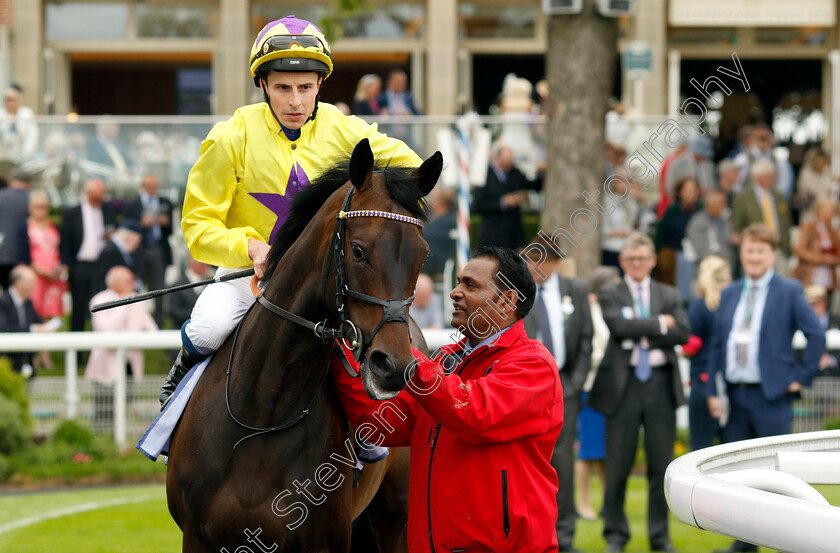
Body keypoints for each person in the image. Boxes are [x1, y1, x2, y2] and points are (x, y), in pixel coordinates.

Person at [159, 16, 422, 408]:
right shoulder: (229, 136)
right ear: (263, 85)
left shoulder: (345, 130)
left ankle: (372, 438)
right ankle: (173, 407)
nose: (295, 101)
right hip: (248, 274)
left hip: (325, 280)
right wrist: (249, 247)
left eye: (305, 87)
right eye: (282, 88)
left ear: (320, 85)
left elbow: (412, 170)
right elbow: (198, 227)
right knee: (207, 329)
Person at [333, 246, 564, 553]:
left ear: (508, 300)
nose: (455, 292)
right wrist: (342, 357)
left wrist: (408, 359)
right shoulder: (445, 360)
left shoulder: (533, 364)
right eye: (458, 282)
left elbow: (473, 414)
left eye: (471, 285)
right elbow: (386, 425)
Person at [706, 223, 824, 553]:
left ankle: (787, 540)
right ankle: (745, 544)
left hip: (772, 396)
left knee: (777, 476)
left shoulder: (789, 290)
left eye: (760, 251)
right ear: (741, 254)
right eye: (749, 250)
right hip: (735, 395)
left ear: (773, 255)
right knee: (742, 476)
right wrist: (713, 391)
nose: (754, 257)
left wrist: (802, 376)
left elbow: (815, 335)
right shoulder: (731, 293)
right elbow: (717, 344)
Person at [588, 232, 690, 553]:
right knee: (617, 466)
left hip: (661, 386)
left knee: (661, 467)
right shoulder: (610, 293)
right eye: (631, 259)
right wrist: (661, 324)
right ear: (622, 261)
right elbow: (619, 328)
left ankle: (660, 537)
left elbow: (684, 332)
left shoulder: (669, 292)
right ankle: (615, 536)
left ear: (652, 261)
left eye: (642, 258)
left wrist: (643, 329)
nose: (636, 264)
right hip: (623, 386)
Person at [522, 235, 593, 552]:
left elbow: (587, 338)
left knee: (562, 464)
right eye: (535, 258)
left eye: (547, 259)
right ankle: (529, 537)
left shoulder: (574, 290)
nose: (540, 266)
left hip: (563, 387)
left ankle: (563, 538)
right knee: (526, 466)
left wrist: (575, 383)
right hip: (523, 388)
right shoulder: (518, 292)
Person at [87, 266, 157, 432]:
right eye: (128, 281)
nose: (133, 284)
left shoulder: (137, 299)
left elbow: (151, 329)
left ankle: (121, 438)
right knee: (105, 407)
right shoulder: (99, 299)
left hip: (129, 361)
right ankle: (103, 437)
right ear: (115, 283)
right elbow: (106, 329)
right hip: (106, 364)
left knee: (125, 403)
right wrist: (123, 304)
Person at [575, 266, 618, 522]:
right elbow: (593, 348)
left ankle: (607, 502)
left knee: (605, 450)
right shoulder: (589, 310)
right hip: (591, 387)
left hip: (609, 388)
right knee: (588, 450)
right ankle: (583, 503)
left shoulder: (608, 308)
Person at [60, 177, 118, 331]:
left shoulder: (107, 211)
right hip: (80, 266)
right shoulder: (73, 212)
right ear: (88, 193)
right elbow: (65, 241)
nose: (99, 200)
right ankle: (77, 352)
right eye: (96, 196)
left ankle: (98, 351)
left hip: (101, 266)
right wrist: (66, 265)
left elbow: (115, 231)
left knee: (100, 308)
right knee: (78, 310)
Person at [685, 255, 731, 451]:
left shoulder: (700, 306)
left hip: (704, 382)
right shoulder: (733, 305)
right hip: (731, 385)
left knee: (700, 449)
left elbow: (691, 346)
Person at [472, 140, 541, 251]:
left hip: (514, 235)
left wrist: (540, 171)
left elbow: (534, 186)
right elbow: (477, 205)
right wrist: (502, 202)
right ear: (497, 158)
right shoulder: (485, 175)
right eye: (505, 163)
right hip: (493, 236)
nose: (508, 167)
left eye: (510, 163)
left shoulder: (515, 173)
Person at [124, 173, 173, 327]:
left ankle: (158, 322)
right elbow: (127, 226)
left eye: (155, 187)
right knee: (135, 285)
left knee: (159, 286)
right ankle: (135, 321)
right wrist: (142, 224)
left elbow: (172, 229)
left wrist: (165, 222)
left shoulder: (164, 202)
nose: (153, 190)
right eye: (149, 187)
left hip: (158, 248)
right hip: (140, 249)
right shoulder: (133, 204)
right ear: (143, 186)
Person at [0, 266, 61, 378]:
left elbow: (37, 322)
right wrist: (33, 329)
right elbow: (4, 329)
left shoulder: (28, 302)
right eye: (31, 283)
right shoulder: (3, 302)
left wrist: (48, 326)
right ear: (18, 283)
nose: (34, 287)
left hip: (27, 360)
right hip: (7, 362)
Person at [731, 158, 792, 259]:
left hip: (779, 248)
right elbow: (737, 225)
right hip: (756, 249)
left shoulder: (779, 196)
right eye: (767, 177)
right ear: (756, 178)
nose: (772, 180)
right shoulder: (743, 197)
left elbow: (786, 222)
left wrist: (787, 245)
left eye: (772, 176)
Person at [655, 176, 700, 300]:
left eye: (694, 190)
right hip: (673, 254)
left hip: (695, 256)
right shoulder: (672, 211)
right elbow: (661, 234)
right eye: (688, 190)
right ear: (680, 192)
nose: (691, 194)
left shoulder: (700, 210)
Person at [792, 198, 840, 300]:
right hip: (809, 275)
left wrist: (832, 260)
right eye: (825, 211)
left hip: (827, 277)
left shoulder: (834, 233)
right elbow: (799, 250)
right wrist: (821, 259)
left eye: (831, 211)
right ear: (818, 211)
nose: (828, 214)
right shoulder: (809, 228)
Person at [684, 189, 736, 271]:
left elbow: (729, 239)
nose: (723, 206)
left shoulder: (725, 219)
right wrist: (721, 259)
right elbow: (701, 250)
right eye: (720, 204)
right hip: (709, 269)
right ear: (709, 205)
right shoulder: (698, 222)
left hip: (728, 267)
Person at [93, 219, 143, 296]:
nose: (136, 246)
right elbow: (103, 279)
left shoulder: (119, 249)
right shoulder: (110, 251)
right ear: (130, 237)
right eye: (137, 243)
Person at [0, 168, 32, 288]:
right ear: (28, 183)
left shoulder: (1, 196)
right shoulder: (29, 199)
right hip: (20, 256)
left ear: (11, 181)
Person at [167, 254, 214, 333]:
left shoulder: (210, 283)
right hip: (182, 332)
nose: (207, 267)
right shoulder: (178, 286)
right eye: (203, 264)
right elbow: (173, 311)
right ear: (191, 263)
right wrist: (199, 315)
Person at [804, 284, 840, 376]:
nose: (813, 307)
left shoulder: (837, 321)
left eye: (816, 303)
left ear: (825, 302)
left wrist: (832, 359)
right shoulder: (801, 324)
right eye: (810, 304)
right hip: (810, 376)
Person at [0, 85, 38, 162]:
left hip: (23, 155)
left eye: (13, 100)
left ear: (18, 101)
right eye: (8, 100)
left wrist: (26, 154)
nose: (10, 103)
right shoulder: (1, 114)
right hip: (3, 156)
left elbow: (32, 135)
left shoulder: (27, 113)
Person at [792, 146, 833, 220]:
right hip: (810, 211)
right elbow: (817, 191)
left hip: (823, 211)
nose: (825, 164)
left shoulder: (823, 174)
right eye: (824, 161)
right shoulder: (806, 173)